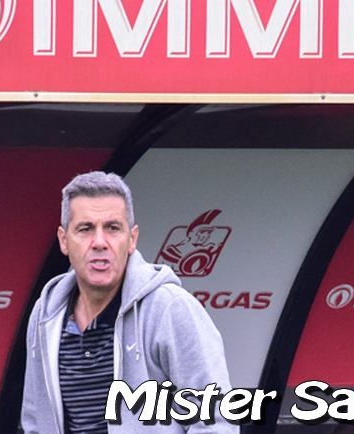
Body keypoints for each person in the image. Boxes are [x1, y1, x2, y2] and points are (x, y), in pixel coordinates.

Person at [20, 171, 237, 433]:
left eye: (112, 228)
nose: (99, 242)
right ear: (64, 241)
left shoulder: (170, 308)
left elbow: (215, 421)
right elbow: (35, 421)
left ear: (132, 239)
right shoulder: (46, 314)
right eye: (85, 229)